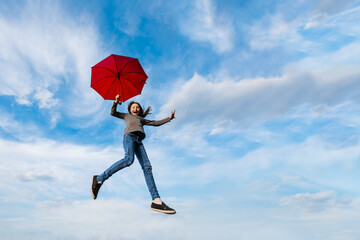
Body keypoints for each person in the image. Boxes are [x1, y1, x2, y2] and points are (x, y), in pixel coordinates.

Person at [91, 94, 176, 214]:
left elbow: (156, 123)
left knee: (147, 167)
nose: (135, 109)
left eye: (137, 107)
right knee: (128, 159)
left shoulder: (142, 120)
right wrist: (115, 102)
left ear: (140, 110)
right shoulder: (126, 116)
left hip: (139, 141)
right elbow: (113, 113)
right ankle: (100, 178)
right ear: (130, 109)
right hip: (129, 138)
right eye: (133, 107)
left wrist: (169, 118)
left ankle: (156, 200)